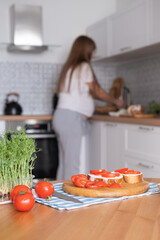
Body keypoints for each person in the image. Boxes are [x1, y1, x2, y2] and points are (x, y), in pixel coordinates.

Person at [53, 35, 125, 180]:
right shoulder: (84, 67)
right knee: (72, 164)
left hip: (61, 117)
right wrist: (116, 101)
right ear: (86, 51)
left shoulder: (69, 68)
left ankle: (58, 197)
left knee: (65, 163)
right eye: (92, 51)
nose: (93, 55)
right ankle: (72, 199)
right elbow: (97, 91)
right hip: (71, 119)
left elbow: (87, 93)